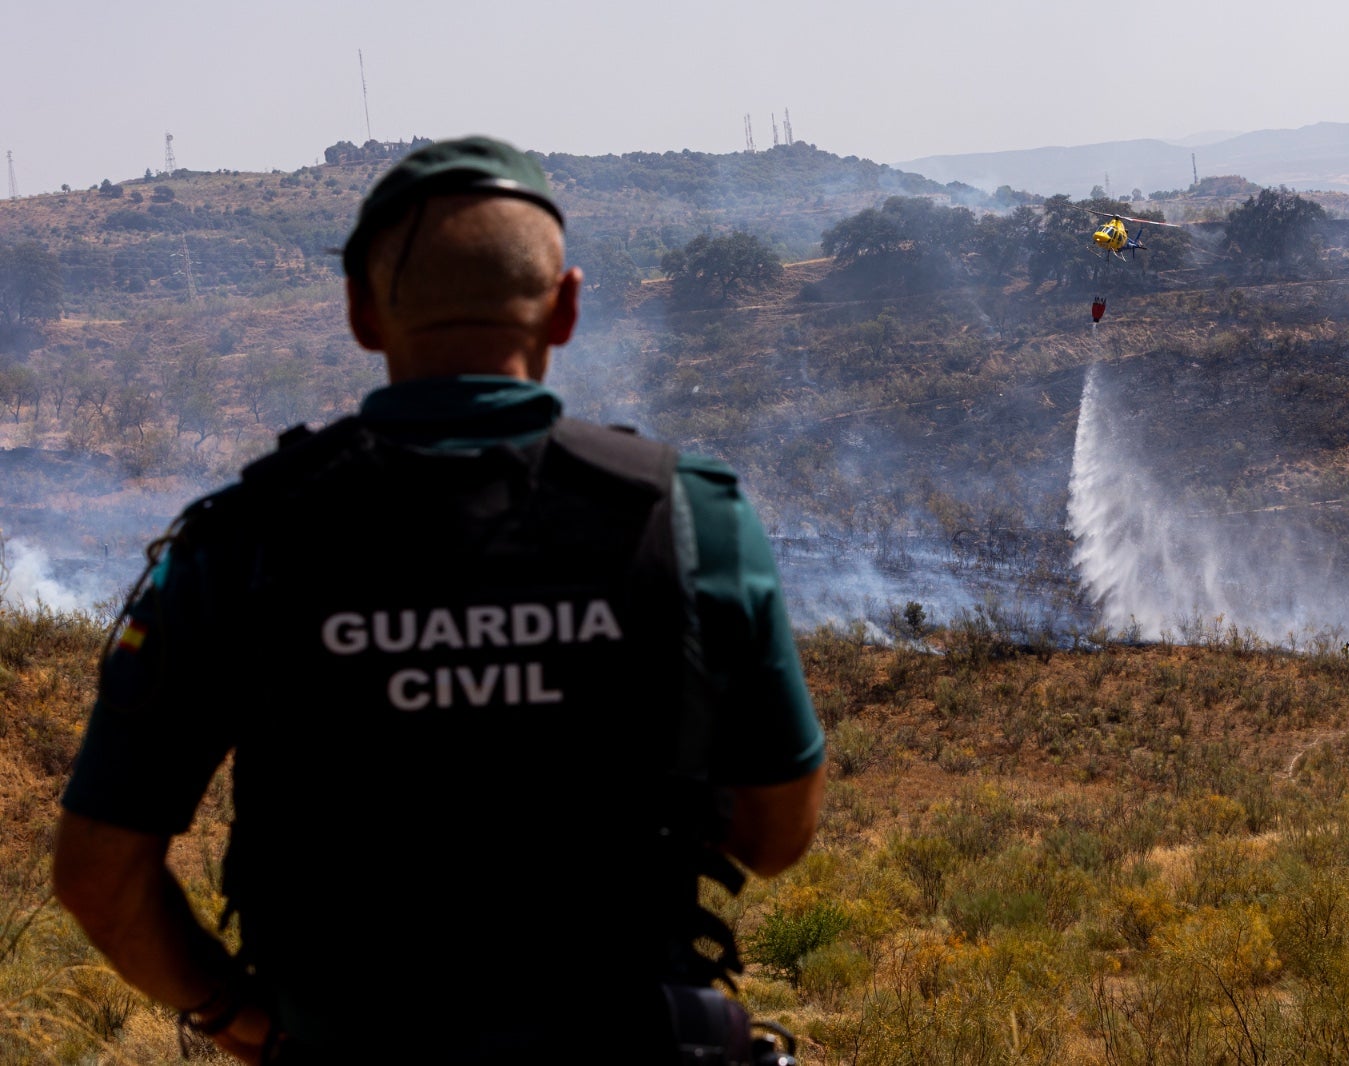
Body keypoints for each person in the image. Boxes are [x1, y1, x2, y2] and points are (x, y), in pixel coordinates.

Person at [53, 135, 827, 1064]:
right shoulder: (692, 517)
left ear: (360, 312)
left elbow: (100, 877)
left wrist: (238, 1018)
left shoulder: (238, 537)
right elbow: (777, 839)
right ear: (566, 306)